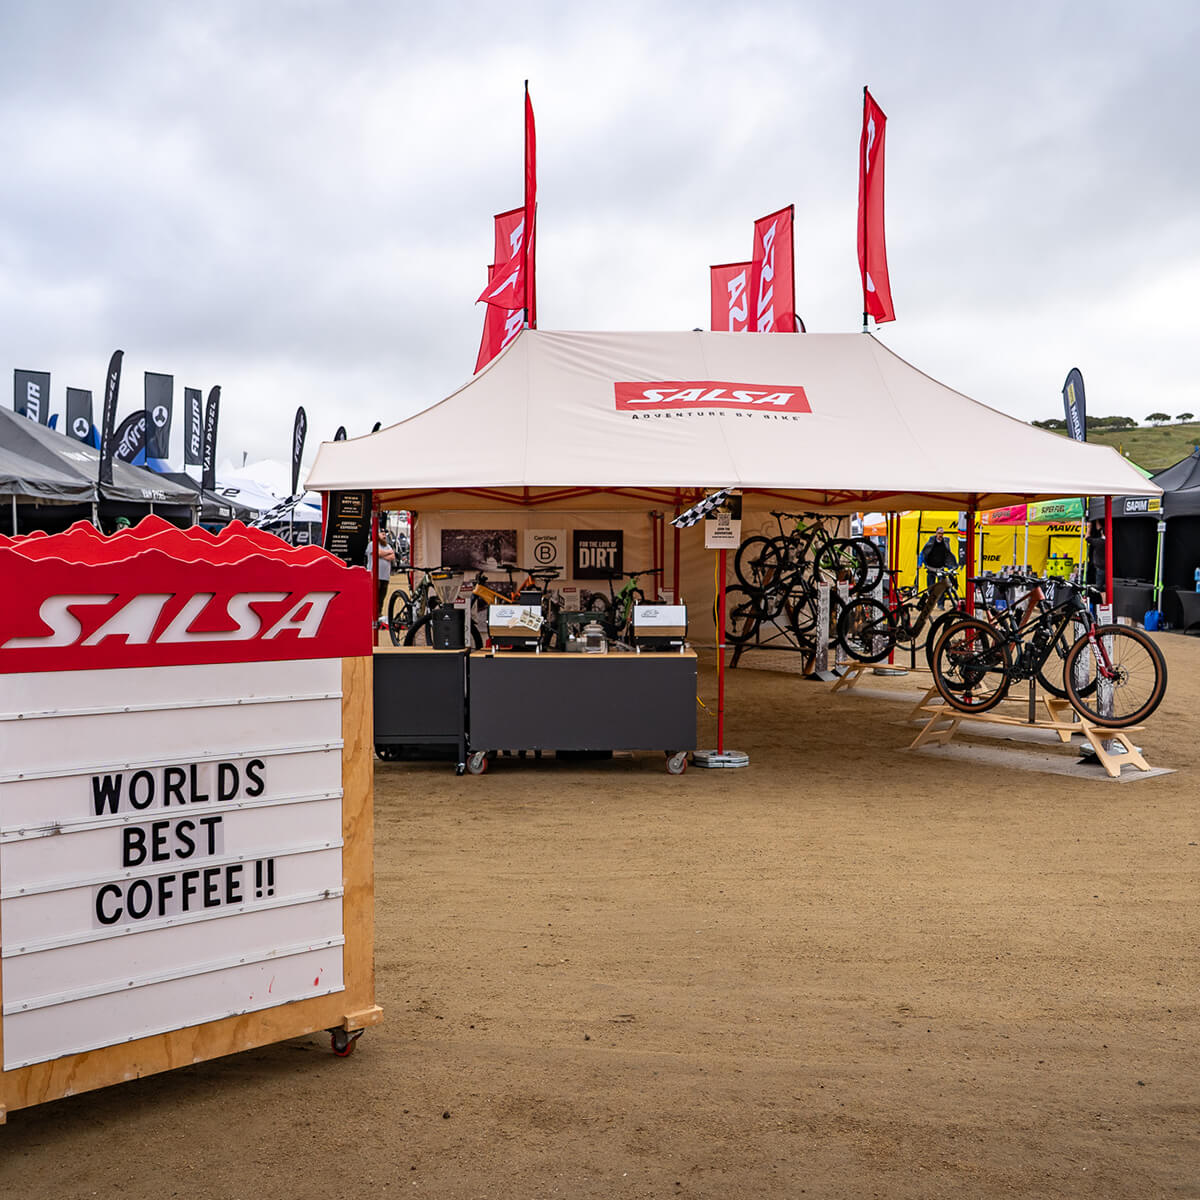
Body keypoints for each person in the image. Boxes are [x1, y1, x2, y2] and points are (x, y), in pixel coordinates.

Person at [918, 526, 958, 604]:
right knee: (930, 587)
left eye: (942, 533)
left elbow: (948, 555)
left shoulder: (945, 543)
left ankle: (940, 604)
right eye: (939, 533)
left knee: (941, 587)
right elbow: (923, 553)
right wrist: (920, 563)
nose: (940, 535)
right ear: (936, 533)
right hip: (931, 568)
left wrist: (952, 567)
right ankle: (930, 603)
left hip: (940, 568)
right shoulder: (930, 542)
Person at [376, 526, 396, 619]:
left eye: (385, 534)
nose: (384, 536)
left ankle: (379, 613)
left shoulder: (388, 546)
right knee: (375, 596)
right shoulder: (373, 544)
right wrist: (386, 553)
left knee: (382, 597)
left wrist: (383, 554)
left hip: (385, 576)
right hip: (376, 576)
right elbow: (378, 553)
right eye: (382, 534)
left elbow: (392, 556)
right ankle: (373, 614)